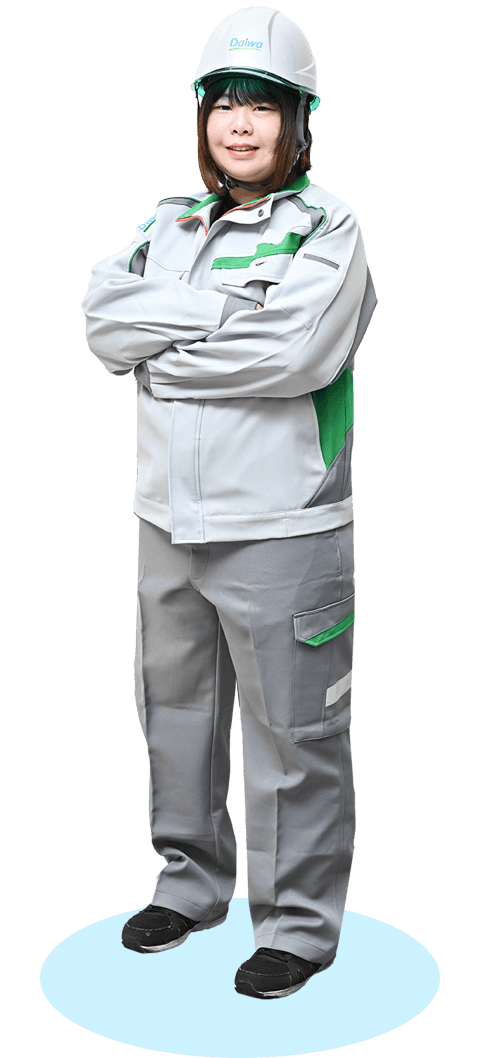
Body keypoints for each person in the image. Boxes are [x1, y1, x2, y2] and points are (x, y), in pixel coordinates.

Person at [81, 5, 377, 1000]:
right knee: (174, 711)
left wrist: (164, 349)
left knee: (295, 735)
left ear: (301, 121)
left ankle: (297, 926)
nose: (241, 124)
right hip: (166, 517)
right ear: (201, 117)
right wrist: (227, 315)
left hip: (283, 526)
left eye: (265, 105)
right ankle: (190, 883)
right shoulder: (165, 224)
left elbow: (295, 353)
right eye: (224, 105)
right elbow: (100, 320)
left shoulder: (328, 228)